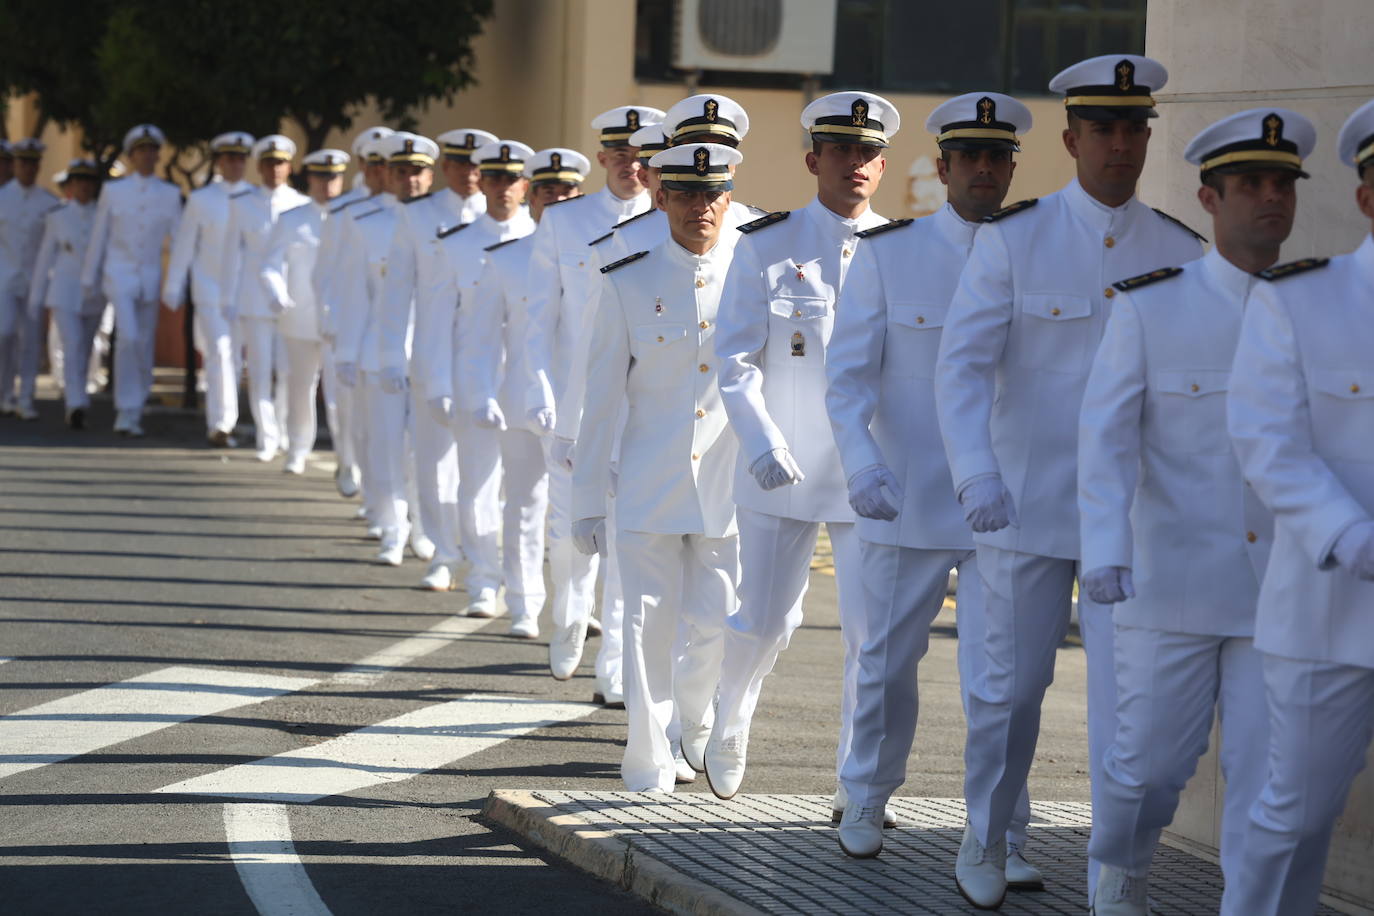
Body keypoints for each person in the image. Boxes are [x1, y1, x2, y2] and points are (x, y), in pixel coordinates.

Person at [933, 55, 1205, 908]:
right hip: (1025, 500)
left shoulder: (1182, 250)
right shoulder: (1015, 239)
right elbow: (962, 370)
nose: (1120, 144)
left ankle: (1117, 871)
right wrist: (974, 472)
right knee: (1008, 695)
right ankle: (987, 833)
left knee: (1136, 711)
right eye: (1104, 129)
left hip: (1135, 517)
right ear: (1072, 138)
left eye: (1135, 128)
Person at [1078, 107, 1314, 914]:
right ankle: (1122, 862)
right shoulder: (1151, 307)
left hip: (1281, 598)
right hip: (1171, 583)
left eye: (1281, 183)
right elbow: (1105, 440)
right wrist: (1105, 548)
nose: (1269, 199)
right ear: (1211, 201)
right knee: (1146, 770)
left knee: (1268, 777)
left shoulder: (1325, 310)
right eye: (1249, 183)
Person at [826, 93, 1039, 875]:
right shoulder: (889, 253)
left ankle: (999, 830)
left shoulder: (1040, 250)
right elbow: (845, 382)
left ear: (1013, 166)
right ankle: (866, 792)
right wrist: (860, 461)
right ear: (942, 167)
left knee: (1002, 684)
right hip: (907, 491)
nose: (984, 169)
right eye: (970, 157)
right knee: (884, 664)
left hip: (1006, 505)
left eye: (998, 156)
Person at [708, 92, 895, 819]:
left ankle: (857, 781)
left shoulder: (898, 248)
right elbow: (733, 358)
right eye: (842, 150)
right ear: (815, 159)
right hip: (780, 463)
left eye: (868, 153)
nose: (855, 164)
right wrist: (758, 440)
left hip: (867, 470)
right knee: (765, 619)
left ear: (882, 166)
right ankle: (731, 711)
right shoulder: (766, 243)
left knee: (869, 634)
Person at [1221, 97, 1374, 916]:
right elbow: (1268, 443)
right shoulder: (1303, 300)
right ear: (1366, 198)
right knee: (1298, 811)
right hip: (1330, 610)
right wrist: (1350, 535)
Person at [571, 141, 744, 793]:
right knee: (645, 625)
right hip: (647, 483)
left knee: (715, 626)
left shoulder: (749, 280)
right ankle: (646, 760)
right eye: (688, 194)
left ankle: (690, 725)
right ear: (663, 196)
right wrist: (586, 498)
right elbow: (601, 397)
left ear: (728, 199)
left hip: (728, 485)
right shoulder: (628, 280)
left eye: (713, 194)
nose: (700, 206)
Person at [523, 104, 664, 682]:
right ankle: (569, 618)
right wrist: (542, 397)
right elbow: (538, 319)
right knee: (569, 533)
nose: (632, 166)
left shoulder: (667, 225)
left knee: (629, 539)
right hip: (574, 407)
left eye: (642, 156)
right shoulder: (565, 222)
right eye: (622, 155)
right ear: (604, 157)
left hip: (643, 408)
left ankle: (614, 665)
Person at [456, 147, 587, 638]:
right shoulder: (508, 259)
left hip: (576, 402)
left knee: (578, 510)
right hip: (518, 402)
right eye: (547, 189)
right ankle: (524, 603)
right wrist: (481, 391)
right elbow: (481, 338)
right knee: (525, 504)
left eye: (566, 190)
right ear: (531, 196)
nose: (556, 198)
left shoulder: (595, 255)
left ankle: (573, 605)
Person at [419, 140, 537, 608]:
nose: (502, 188)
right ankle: (484, 579)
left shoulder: (542, 239)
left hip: (528, 380)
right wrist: (439, 382)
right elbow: (435, 319)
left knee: (527, 493)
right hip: (476, 377)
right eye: (494, 178)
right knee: (478, 484)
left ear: (526, 186)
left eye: (511, 179)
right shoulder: (458, 244)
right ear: (481, 183)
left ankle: (522, 579)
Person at [381, 127, 497, 589]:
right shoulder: (417, 216)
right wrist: (392, 354)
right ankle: (443, 552)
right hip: (433, 354)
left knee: (485, 470)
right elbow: (397, 292)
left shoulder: (503, 217)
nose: (469, 174)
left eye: (477, 166)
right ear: (445, 169)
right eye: (461, 165)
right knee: (432, 462)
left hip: (487, 360)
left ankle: (483, 551)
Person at [335, 132, 436, 565]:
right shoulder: (367, 224)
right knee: (387, 445)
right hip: (381, 352)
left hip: (431, 354)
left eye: (417, 172)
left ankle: (426, 529)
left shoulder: (445, 223)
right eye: (401, 172)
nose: (410, 180)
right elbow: (355, 294)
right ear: (388, 176)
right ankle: (392, 528)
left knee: (427, 452)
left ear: (430, 176)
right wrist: (347, 351)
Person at [81, 124, 183, 437]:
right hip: (119, 274)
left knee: (144, 341)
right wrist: (89, 276)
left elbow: (178, 241)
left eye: (152, 150)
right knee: (127, 336)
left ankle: (136, 406)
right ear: (132, 155)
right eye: (141, 150)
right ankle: (125, 409)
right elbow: (99, 236)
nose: (147, 156)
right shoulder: (114, 191)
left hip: (150, 277)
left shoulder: (169, 194)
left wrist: (175, 284)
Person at [316, 126, 394, 501]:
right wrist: (332, 321)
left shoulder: (405, 211)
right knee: (345, 407)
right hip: (347, 323)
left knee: (377, 419)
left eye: (387, 163)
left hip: (385, 333)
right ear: (364, 165)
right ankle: (348, 462)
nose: (381, 171)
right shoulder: (345, 211)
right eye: (375, 163)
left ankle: (377, 489)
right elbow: (329, 272)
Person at [261, 148, 349, 474]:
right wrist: (277, 293)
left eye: (334, 178)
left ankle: (346, 457)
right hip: (299, 317)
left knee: (340, 395)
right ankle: (298, 448)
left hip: (339, 321)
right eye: (321, 178)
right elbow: (269, 264)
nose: (327, 184)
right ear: (309, 179)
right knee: (300, 386)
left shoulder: (352, 218)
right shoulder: (292, 219)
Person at [221, 135, 309, 462]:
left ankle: (285, 430)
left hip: (294, 301)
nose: (275, 169)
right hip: (254, 300)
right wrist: (228, 298)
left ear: (290, 167)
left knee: (287, 372)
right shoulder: (243, 204)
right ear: (259, 167)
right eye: (269, 163)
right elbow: (233, 255)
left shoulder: (300, 204)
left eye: (281, 163)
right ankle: (266, 434)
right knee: (259, 372)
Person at [163, 131, 254, 447]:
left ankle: (227, 417)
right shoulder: (201, 200)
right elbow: (185, 245)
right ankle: (220, 422)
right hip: (210, 288)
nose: (236, 164)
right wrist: (174, 284)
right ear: (218, 162)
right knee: (219, 351)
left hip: (243, 292)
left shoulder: (254, 198)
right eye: (230, 158)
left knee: (236, 358)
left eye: (241, 159)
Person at [26, 158, 103, 428]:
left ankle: (79, 391)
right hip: (64, 290)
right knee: (72, 344)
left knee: (86, 346)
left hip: (94, 292)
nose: (83, 187)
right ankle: (75, 401)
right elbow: (46, 256)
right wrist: (36, 297)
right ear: (70, 186)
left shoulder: (103, 215)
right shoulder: (58, 216)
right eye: (78, 181)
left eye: (88, 182)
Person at [0, 137, 59, 420]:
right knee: (5, 333)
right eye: (23, 162)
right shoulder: (2, 197)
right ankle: (4, 393)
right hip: (4, 278)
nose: (28, 168)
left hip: (36, 280)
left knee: (31, 340)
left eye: (33, 163)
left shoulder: (49, 203)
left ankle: (26, 397)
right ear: (15, 165)